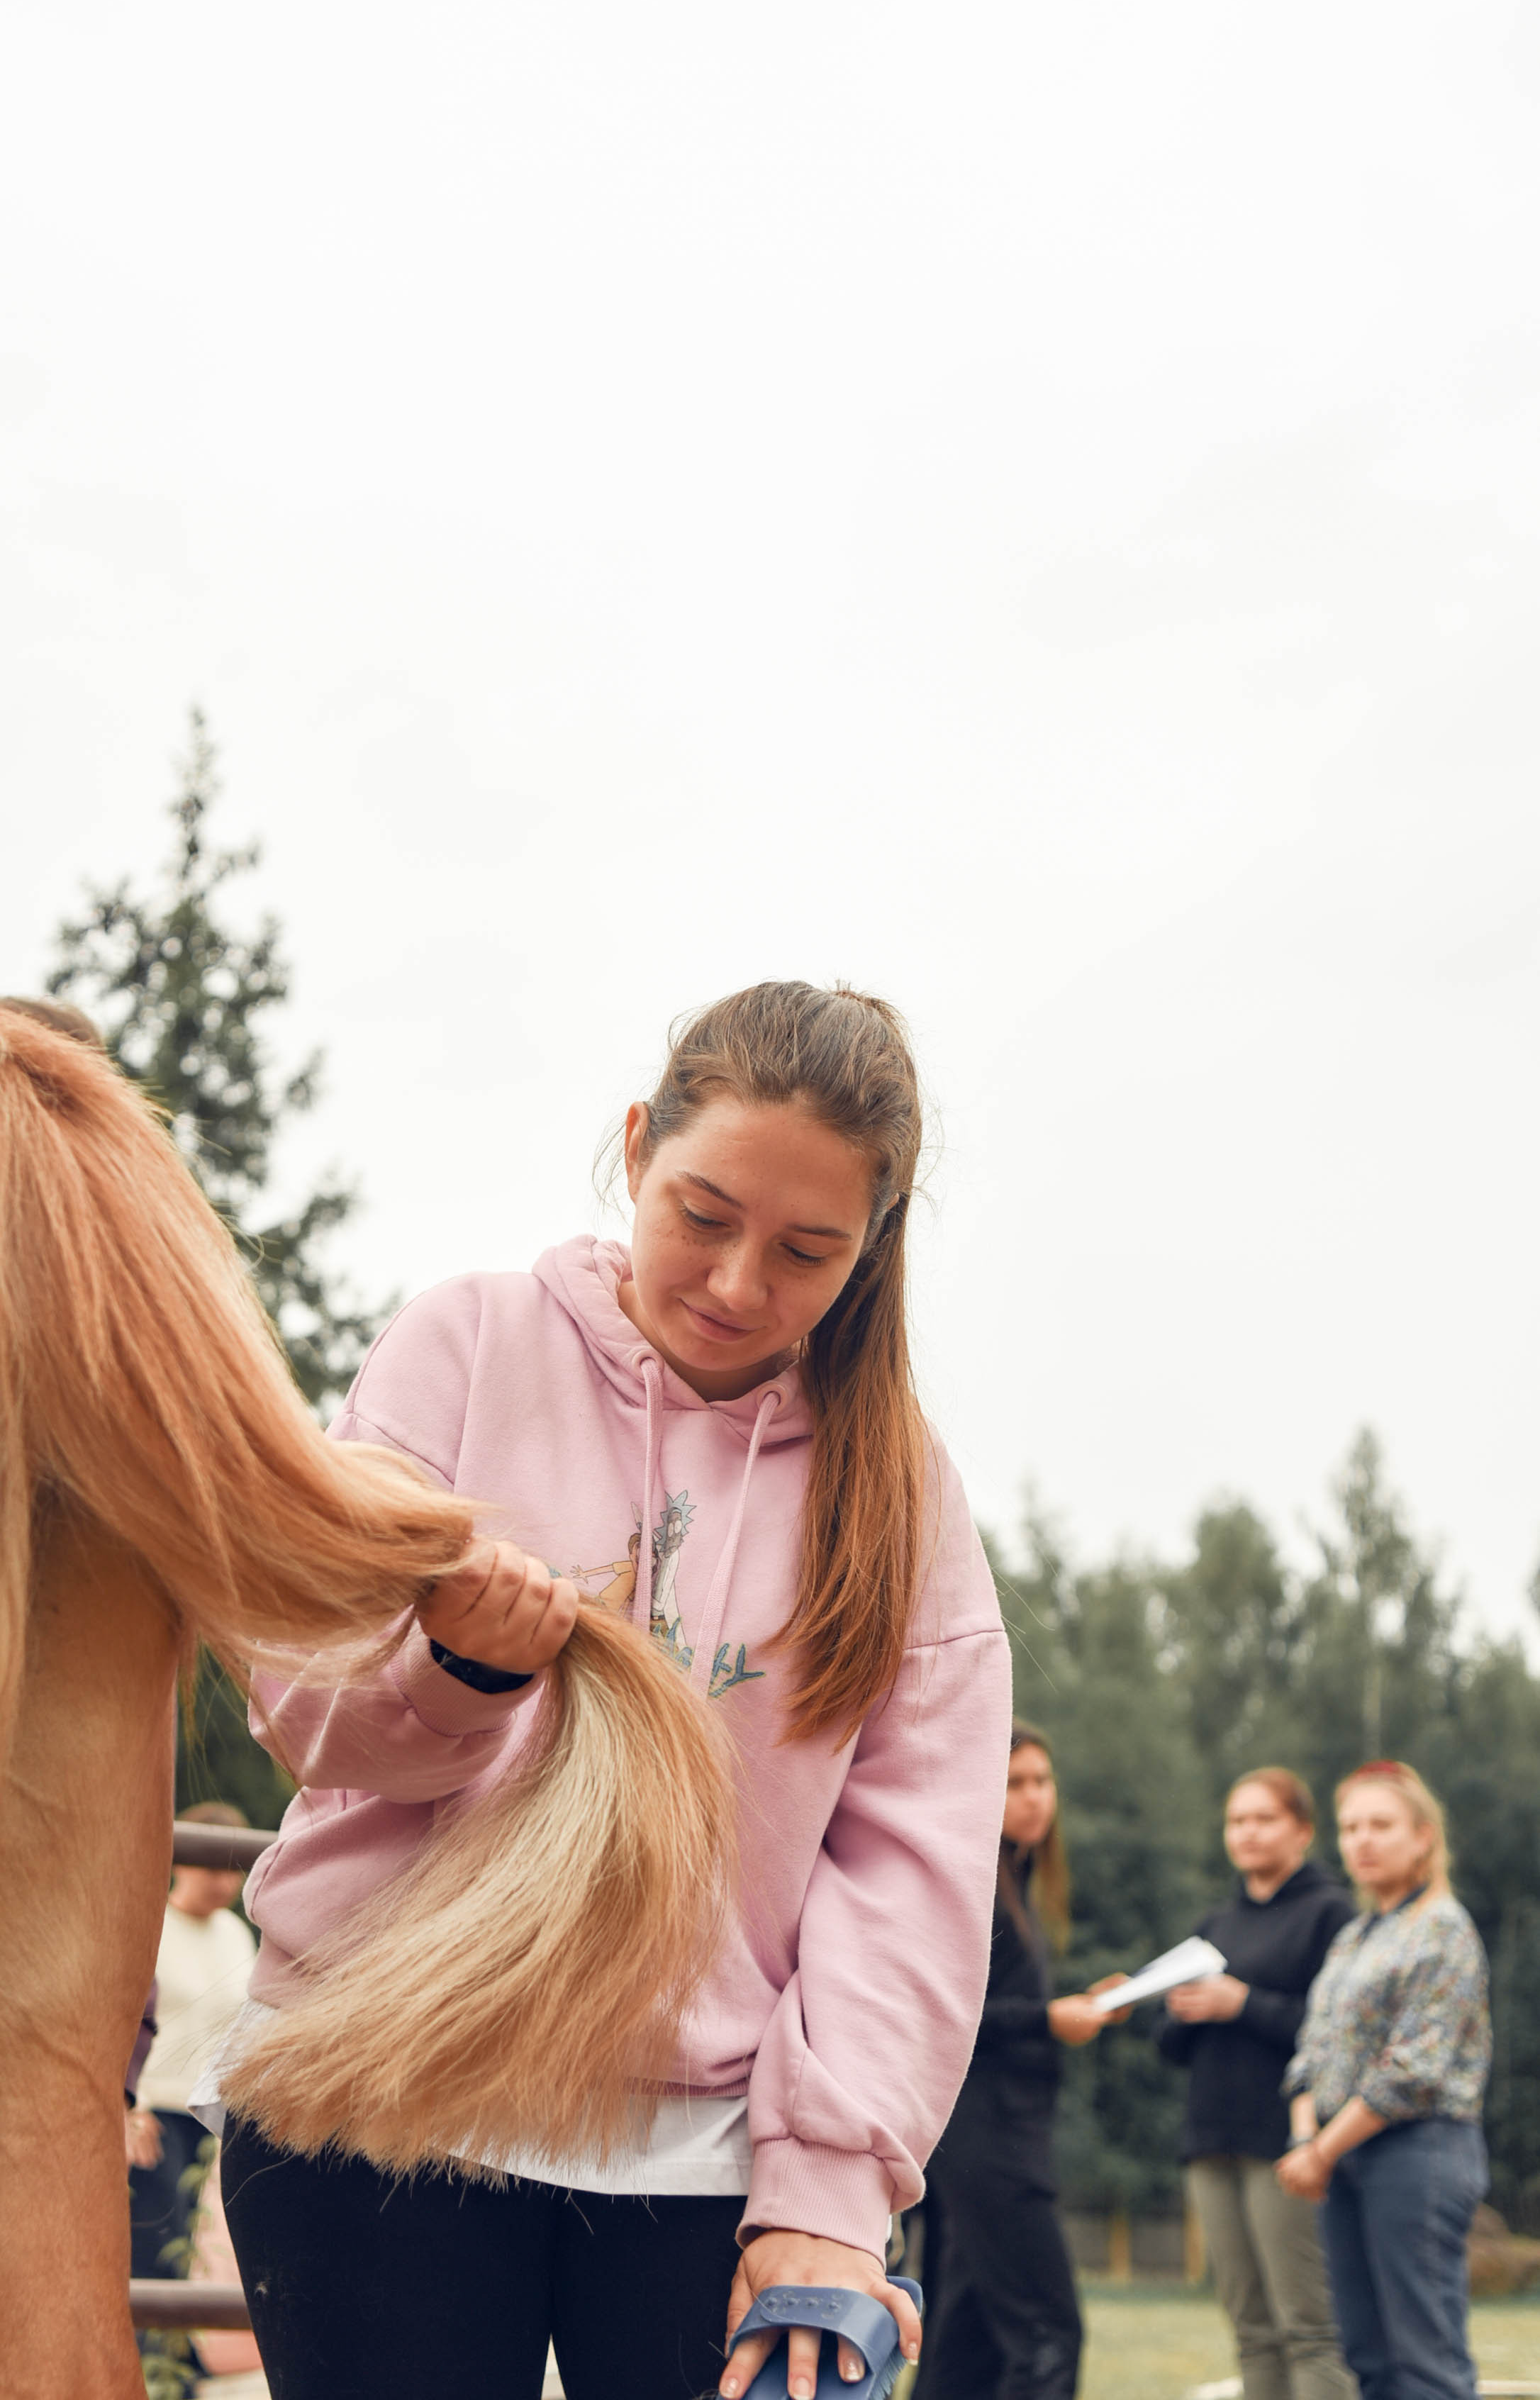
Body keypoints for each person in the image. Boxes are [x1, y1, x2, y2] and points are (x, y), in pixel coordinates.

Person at [215, 981, 1013, 2400]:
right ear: (638, 1142)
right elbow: (306, 1707)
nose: (735, 1283)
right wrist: (459, 1671)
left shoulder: (904, 1492)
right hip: (372, 2101)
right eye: (703, 1213)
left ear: (871, 1247)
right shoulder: (462, 1342)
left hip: (705, 2161)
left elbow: (911, 1870)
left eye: (807, 1250)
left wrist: (828, 2190)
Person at [913, 1719, 1129, 2400]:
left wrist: (1076, 2005)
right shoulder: (972, 1879)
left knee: (964, 2345)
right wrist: (1048, 2019)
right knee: (1047, 2333)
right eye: (1016, 1783)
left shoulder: (1019, 1880)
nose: (1035, 1797)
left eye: (1043, 1781)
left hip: (997, 2134)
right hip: (986, 2138)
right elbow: (943, 2014)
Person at [1278, 1760, 1492, 2400]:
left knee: (1425, 2362)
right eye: (1349, 1828)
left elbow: (1412, 2072)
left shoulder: (1443, 1929)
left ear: (1424, 1836)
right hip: (1340, 2156)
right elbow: (1311, 2053)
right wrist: (1303, 2142)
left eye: (1381, 1825)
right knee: (1369, 2358)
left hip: (1417, 2155)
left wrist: (1320, 2150)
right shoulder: (1354, 1936)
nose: (1362, 1840)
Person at [1156, 1769, 1357, 2400]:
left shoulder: (1332, 1914)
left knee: (1309, 2328)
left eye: (1263, 1819)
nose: (1247, 1832)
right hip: (1210, 2142)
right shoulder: (1215, 1924)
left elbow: (1338, 2034)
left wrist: (1241, 2003)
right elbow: (1168, 2047)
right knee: (1250, 2329)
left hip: (1287, 2144)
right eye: (1236, 1821)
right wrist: (1173, 2007)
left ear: (1302, 1831)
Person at [128, 1803, 256, 2281]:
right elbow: (124, 2023)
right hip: (154, 2110)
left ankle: (179, 2354)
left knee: (192, 2249)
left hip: (210, 2115)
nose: (223, 1882)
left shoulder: (237, 1935)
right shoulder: (148, 1924)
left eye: (233, 1871)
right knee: (153, 2247)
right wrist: (130, 2105)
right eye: (212, 1866)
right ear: (180, 1861)